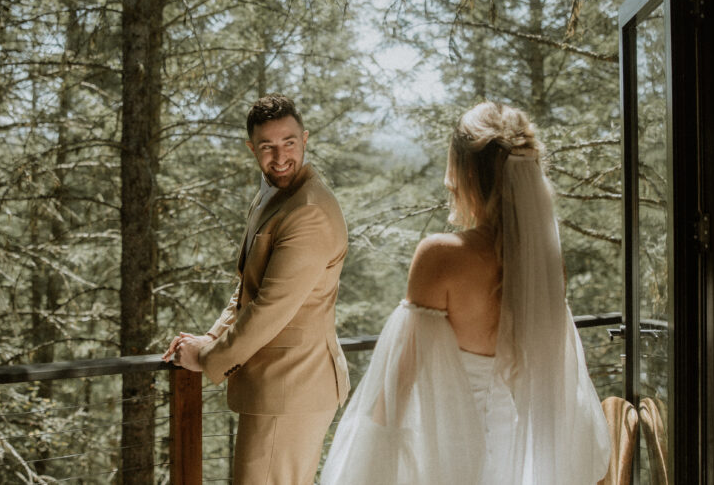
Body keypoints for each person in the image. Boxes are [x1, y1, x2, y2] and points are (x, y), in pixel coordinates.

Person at [320, 102, 610, 484]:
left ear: (466, 172)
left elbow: (397, 385)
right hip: (518, 456)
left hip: (447, 454)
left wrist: (368, 462)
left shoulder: (441, 256)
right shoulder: (546, 267)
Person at [162, 94, 350, 485]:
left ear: (305, 139)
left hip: (291, 389)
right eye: (267, 147)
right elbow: (248, 286)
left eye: (289, 143)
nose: (279, 158)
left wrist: (207, 357)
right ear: (252, 149)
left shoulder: (309, 211)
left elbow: (269, 308)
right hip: (277, 389)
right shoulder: (272, 193)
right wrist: (211, 336)